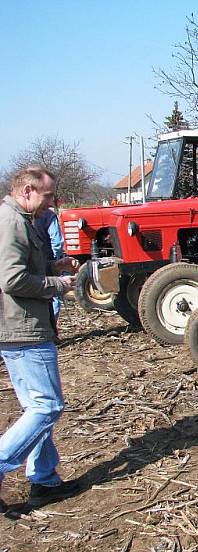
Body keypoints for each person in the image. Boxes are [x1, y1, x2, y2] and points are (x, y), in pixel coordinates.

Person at [0, 166, 81, 513]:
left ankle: (44, 480)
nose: (53, 202)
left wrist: (52, 265)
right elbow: (12, 279)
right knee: (47, 406)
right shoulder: (12, 223)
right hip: (22, 328)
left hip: (23, 325)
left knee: (37, 405)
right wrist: (58, 285)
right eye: (48, 195)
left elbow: (24, 268)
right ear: (28, 191)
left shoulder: (21, 219)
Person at [34, 205, 67, 320]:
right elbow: (57, 242)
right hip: (48, 259)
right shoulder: (49, 215)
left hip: (32, 261)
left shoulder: (24, 216)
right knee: (55, 293)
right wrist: (57, 260)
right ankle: (52, 329)